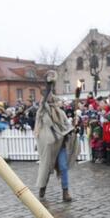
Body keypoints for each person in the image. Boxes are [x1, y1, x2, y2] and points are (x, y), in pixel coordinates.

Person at [34, 71, 79, 202]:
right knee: (47, 169)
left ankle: (65, 192)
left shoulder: (61, 113)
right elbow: (46, 96)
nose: (53, 100)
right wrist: (49, 84)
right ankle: (43, 187)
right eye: (50, 98)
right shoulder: (42, 112)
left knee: (63, 167)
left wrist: (72, 129)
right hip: (49, 146)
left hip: (61, 145)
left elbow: (66, 127)